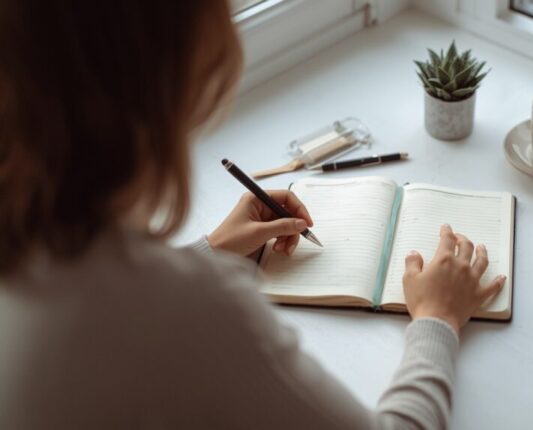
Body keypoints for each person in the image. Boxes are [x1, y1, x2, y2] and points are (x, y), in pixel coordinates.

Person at [0, 0, 506, 428]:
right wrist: (438, 318)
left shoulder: (25, 241)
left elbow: (112, 302)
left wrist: (211, 250)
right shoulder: (193, 311)